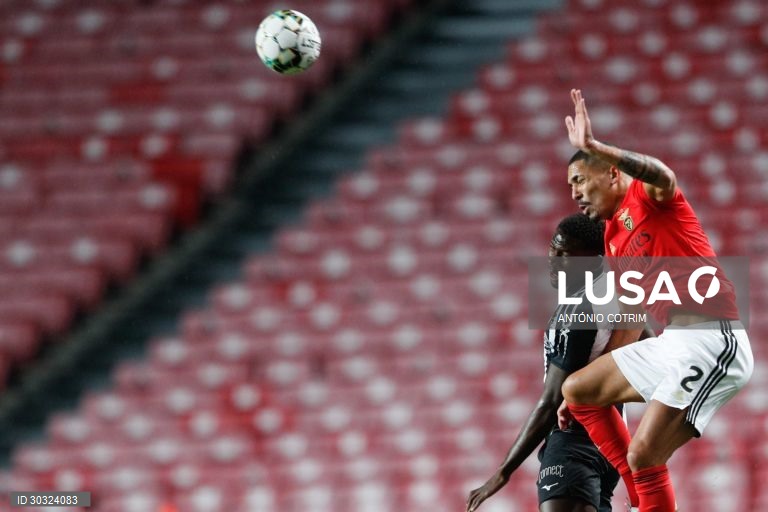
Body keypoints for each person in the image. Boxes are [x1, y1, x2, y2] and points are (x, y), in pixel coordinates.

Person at [558, 89, 754, 511]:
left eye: (579, 180)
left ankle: (645, 495)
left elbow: (663, 174)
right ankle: (641, 500)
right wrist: (597, 375)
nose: (574, 193)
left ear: (611, 173)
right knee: (579, 390)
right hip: (672, 343)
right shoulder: (612, 240)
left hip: (711, 339)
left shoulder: (648, 197)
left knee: (645, 453)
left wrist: (595, 146)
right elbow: (629, 321)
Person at [466, 214, 623, 512]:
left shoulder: (580, 309)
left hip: (572, 442)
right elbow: (647, 342)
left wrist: (503, 471)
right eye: (555, 249)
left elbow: (552, 401)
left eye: (567, 255)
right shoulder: (610, 297)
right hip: (607, 446)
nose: (555, 260)